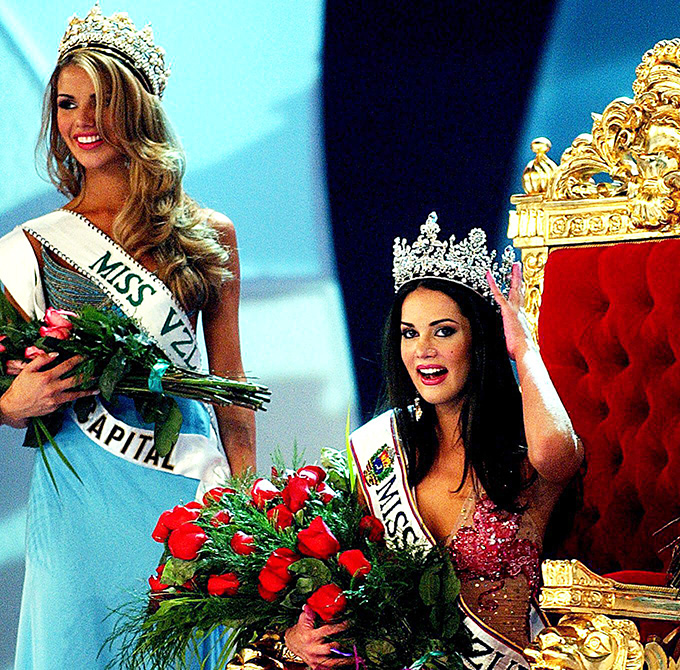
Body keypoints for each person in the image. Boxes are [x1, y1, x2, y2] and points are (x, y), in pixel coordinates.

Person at [0, 4, 255, 668]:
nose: (81, 121)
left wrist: (253, 520)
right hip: (78, 505)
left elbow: (231, 394)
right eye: (66, 102)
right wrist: (8, 403)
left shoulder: (209, 233)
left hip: (186, 498)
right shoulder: (28, 249)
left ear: (137, 109)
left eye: (101, 101)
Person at [284, 214, 582, 668]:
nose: (423, 350)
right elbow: (343, 583)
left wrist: (524, 348)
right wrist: (299, 636)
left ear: (478, 340)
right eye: (409, 333)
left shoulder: (525, 455)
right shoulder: (385, 453)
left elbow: (556, 455)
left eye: (443, 331)